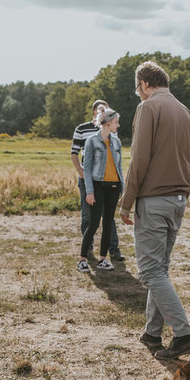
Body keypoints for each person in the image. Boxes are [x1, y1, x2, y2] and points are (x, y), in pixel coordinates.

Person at [119, 61, 190, 360]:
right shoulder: (185, 111)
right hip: (178, 199)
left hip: (153, 200)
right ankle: (152, 332)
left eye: (137, 88)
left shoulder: (149, 108)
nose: (138, 93)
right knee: (159, 269)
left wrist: (127, 201)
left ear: (144, 84)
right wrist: (185, 193)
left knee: (150, 271)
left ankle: (183, 333)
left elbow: (138, 159)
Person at [73, 99, 123, 261]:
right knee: (92, 222)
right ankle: (84, 256)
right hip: (97, 185)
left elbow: (119, 165)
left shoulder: (116, 141)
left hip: (114, 186)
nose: (118, 125)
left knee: (109, 222)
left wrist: (122, 187)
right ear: (107, 123)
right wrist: (89, 190)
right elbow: (85, 166)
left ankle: (104, 257)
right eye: (116, 122)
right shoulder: (91, 140)